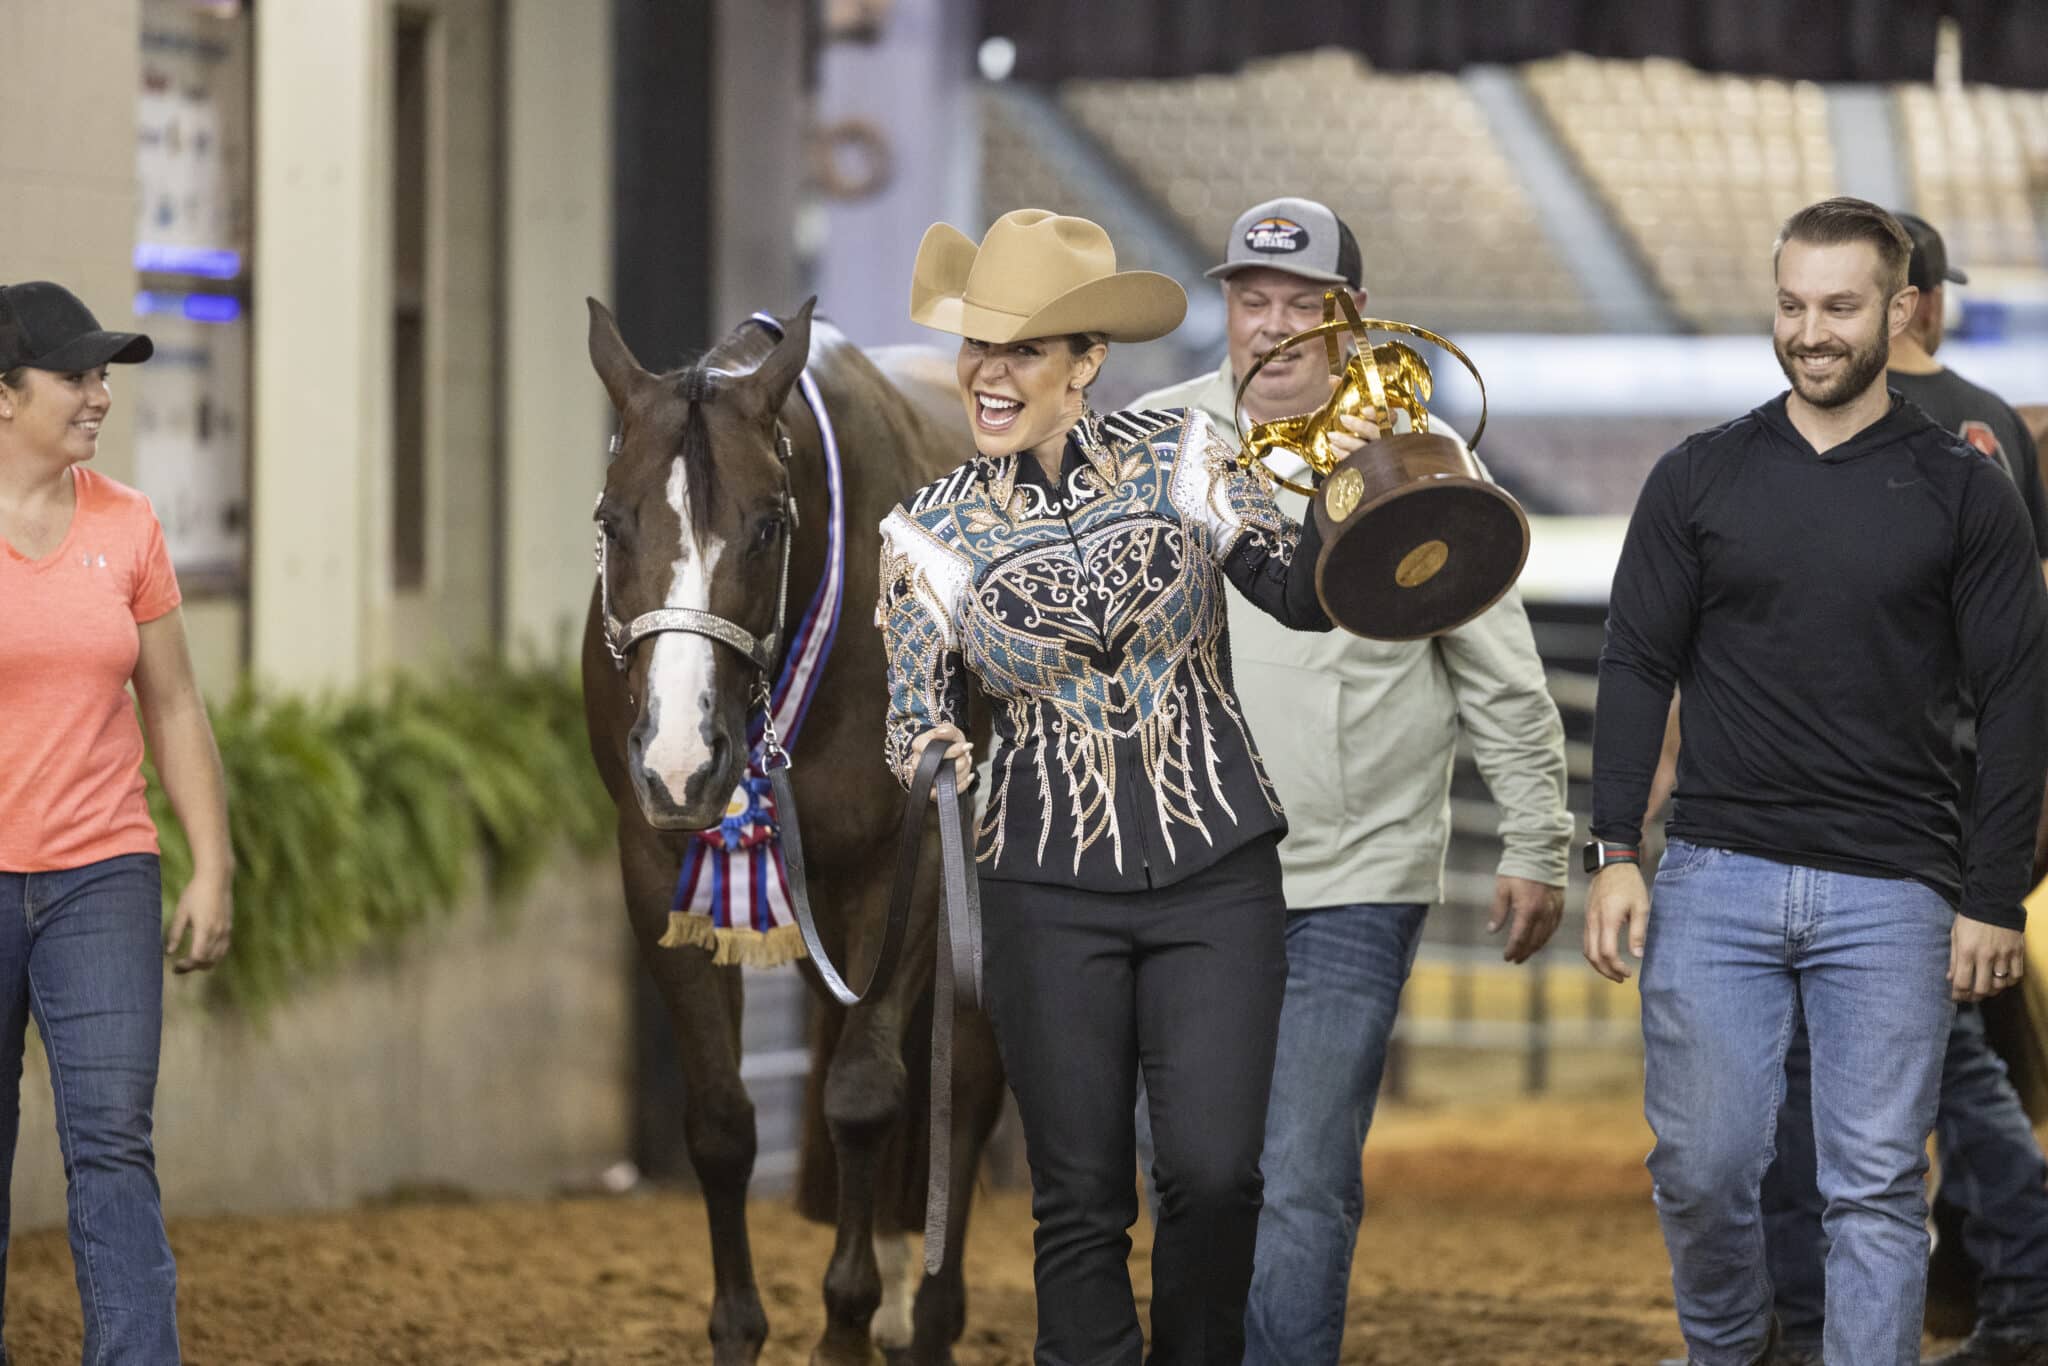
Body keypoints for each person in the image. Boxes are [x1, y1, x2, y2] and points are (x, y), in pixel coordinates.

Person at [875, 208, 1364, 1364]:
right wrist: (932, 752)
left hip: (1216, 876)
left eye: (1022, 351)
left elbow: (1296, 592)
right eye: (977, 348)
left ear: (1085, 363)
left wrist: (1365, 495)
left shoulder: (1184, 456)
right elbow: (909, 717)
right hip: (1043, 892)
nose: (988, 376)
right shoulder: (924, 534)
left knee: (1212, 1174)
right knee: (1080, 1198)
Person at [1584, 199, 2047, 1366]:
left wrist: (1992, 894)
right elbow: (1636, 663)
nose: (1809, 331)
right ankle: (1730, 1348)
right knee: (1699, 1170)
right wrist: (1611, 853)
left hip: (1895, 887)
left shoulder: (1963, 488)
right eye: (1790, 304)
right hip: (1713, 876)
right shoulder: (1696, 477)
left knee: (1875, 1187)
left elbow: (2016, 697)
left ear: (1897, 312)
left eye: (1838, 307)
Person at [1126, 196, 1574, 1366]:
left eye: (1299, 308)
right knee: (1190, 1171)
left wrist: (1535, 837)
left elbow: (1501, 671)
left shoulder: (1415, 462)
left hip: (1351, 878)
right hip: (1179, 874)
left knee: (1305, 1174)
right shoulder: (1146, 447)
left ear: (1350, 320)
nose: (1269, 331)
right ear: (1225, 307)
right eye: (1249, 302)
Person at [1752, 214, 2048, 1366]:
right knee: (1950, 1055)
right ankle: (2007, 1283)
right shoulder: (2001, 432)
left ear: (1892, 299)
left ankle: (1847, 1310)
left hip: (1884, 786)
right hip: (1973, 788)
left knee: (1893, 1065)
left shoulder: (1853, 428)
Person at [0, 281, 234, 1363]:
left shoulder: (128, 523)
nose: (100, 394)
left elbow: (174, 702)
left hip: (102, 871)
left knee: (110, 1143)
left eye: (105, 376)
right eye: (76, 376)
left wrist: (210, 864)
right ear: (5, 395)